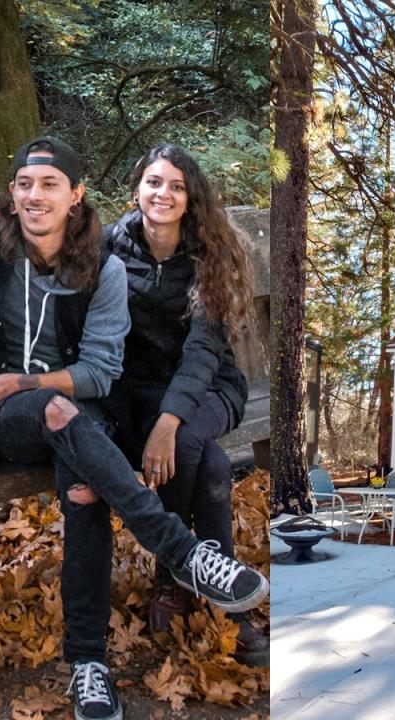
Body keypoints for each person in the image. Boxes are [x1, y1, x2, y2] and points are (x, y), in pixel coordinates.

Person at [0, 137, 268, 720]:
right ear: (11, 195)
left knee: (88, 490)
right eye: (24, 185)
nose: (34, 197)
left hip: (75, 406)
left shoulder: (100, 266)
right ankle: (181, 553)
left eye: (49, 185)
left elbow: (99, 371)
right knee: (70, 425)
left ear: (76, 196)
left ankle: (88, 664)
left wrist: (15, 382)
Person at [102, 144, 268, 665]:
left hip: (212, 386)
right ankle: (228, 603)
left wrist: (168, 422)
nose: (164, 194)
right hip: (141, 391)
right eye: (154, 182)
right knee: (214, 468)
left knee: (190, 441)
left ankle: (173, 576)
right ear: (136, 190)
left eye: (176, 185)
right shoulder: (111, 248)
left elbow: (202, 353)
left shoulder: (213, 253)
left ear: (191, 196)